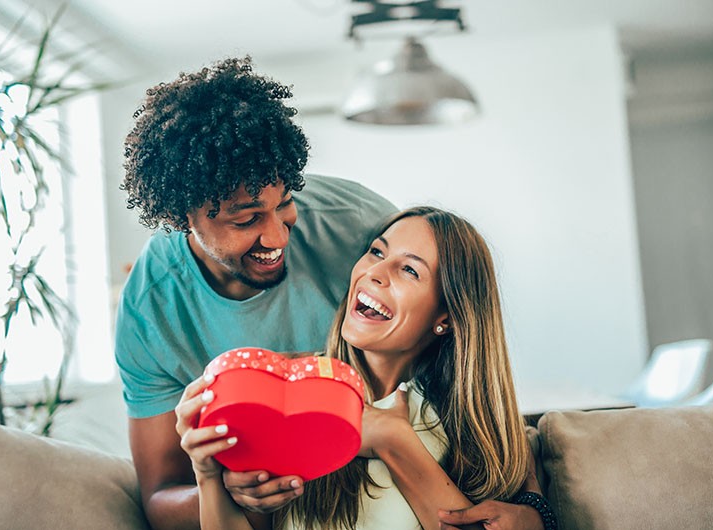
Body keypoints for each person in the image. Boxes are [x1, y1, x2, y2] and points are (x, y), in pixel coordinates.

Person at [117, 56, 547, 530]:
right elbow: (159, 495)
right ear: (183, 218)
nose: (279, 238)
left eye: (285, 204)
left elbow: (477, 377)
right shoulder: (151, 308)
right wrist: (224, 486)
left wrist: (535, 508)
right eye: (246, 220)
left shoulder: (356, 225)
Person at [177, 206, 556, 530]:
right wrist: (209, 474)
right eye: (376, 252)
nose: (376, 272)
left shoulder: (475, 430)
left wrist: (392, 439)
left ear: (447, 315)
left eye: (409, 270)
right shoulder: (288, 394)